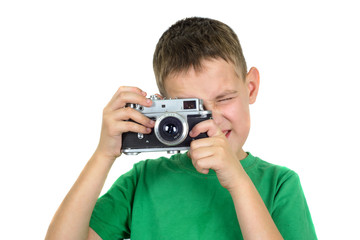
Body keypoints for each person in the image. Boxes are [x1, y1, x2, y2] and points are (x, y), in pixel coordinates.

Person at [45, 17, 317, 240]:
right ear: (166, 112)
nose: (211, 120)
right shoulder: (143, 180)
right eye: (192, 109)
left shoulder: (280, 185)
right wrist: (103, 155)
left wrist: (237, 180)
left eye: (224, 99)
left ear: (251, 88)